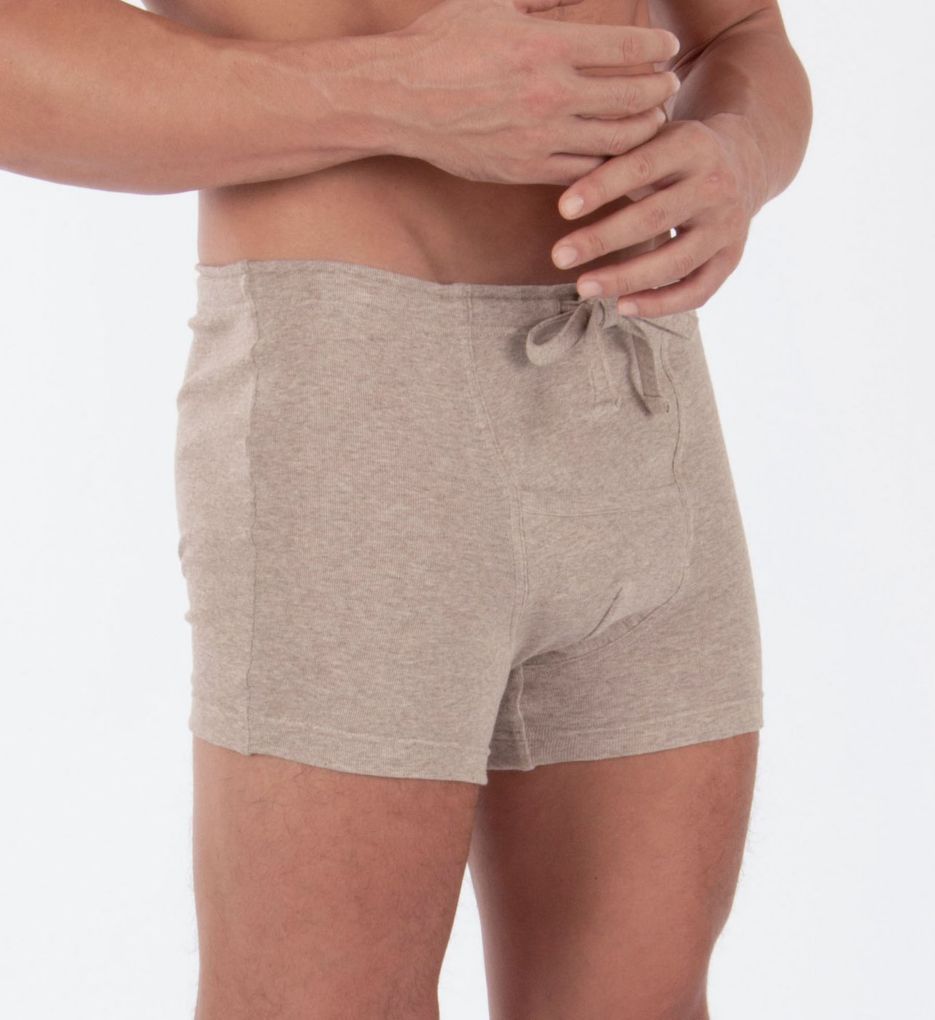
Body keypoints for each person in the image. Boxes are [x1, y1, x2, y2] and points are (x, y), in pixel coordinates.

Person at [1, 0, 811, 1016]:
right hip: (355, 393)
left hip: (632, 383)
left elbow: (740, 33)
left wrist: (738, 153)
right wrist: (385, 92)